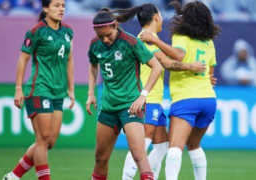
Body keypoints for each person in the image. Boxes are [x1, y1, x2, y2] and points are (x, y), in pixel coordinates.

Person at [113, 3, 207, 180]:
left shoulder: (140, 39)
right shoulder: (148, 41)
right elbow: (168, 63)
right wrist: (192, 66)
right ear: (156, 17)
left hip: (151, 101)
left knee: (162, 146)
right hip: (146, 101)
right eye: (161, 15)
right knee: (141, 146)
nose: (163, 18)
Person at [139, 1, 220, 179]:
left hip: (186, 99)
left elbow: (178, 56)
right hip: (209, 99)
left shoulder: (181, 36)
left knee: (175, 147)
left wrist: (154, 39)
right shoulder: (209, 43)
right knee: (194, 145)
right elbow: (210, 76)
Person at [85, 7, 163, 180]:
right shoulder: (94, 45)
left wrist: (143, 95)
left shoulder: (130, 42)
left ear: (116, 26)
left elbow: (157, 66)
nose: (105, 40)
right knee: (100, 157)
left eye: (108, 35)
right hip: (108, 107)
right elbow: (93, 66)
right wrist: (91, 93)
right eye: (100, 36)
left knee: (138, 154)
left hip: (130, 106)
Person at [3, 0, 75, 179]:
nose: (61, 9)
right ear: (45, 8)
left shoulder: (68, 31)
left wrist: (71, 88)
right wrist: (18, 88)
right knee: (42, 140)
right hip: (39, 89)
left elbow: (69, 60)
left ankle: (13, 175)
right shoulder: (36, 31)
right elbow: (23, 60)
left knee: (50, 141)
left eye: (63, 5)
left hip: (59, 92)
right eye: (56, 5)